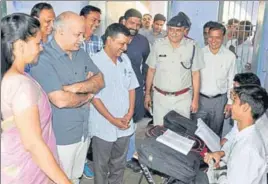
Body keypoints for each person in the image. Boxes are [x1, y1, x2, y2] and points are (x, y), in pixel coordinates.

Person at [30, 11, 104, 184]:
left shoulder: (80, 52)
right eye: (77, 34)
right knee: (58, 179)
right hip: (60, 137)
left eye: (83, 34)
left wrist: (76, 87)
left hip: (83, 132)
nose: (82, 39)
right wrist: (88, 94)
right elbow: (60, 100)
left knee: (75, 177)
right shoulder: (42, 57)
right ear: (60, 31)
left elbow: (100, 80)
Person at [1, 13, 71, 184]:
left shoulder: (10, 78)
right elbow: (34, 145)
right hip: (29, 174)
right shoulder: (21, 85)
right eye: (38, 43)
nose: (41, 48)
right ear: (19, 46)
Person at [89, 23, 139, 184]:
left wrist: (130, 112)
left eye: (126, 44)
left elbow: (131, 87)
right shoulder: (94, 61)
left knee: (119, 164)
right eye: (121, 43)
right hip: (103, 125)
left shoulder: (125, 60)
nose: (124, 48)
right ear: (109, 40)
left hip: (124, 123)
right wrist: (112, 119)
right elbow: (94, 97)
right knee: (101, 166)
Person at [145, 13, 205, 126]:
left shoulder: (192, 46)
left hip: (183, 98)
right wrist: (147, 94)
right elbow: (151, 70)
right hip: (160, 97)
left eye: (178, 30)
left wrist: (195, 99)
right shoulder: (158, 45)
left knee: (180, 132)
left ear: (185, 31)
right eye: (171, 29)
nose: (174, 33)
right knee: (160, 129)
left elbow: (196, 74)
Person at [204, 85, 268, 184]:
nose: (231, 106)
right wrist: (220, 155)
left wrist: (217, 172)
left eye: (234, 102)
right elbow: (234, 154)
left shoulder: (248, 149)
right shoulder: (244, 133)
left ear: (245, 108)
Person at [122, 8, 150, 172]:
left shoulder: (143, 41)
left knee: (132, 122)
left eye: (138, 24)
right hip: (116, 88)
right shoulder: (111, 36)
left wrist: (147, 87)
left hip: (136, 87)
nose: (134, 26)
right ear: (124, 21)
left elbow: (147, 65)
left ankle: (130, 155)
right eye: (132, 22)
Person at [199, 22, 237, 137]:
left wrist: (230, 103)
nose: (213, 40)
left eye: (217, 37)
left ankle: (212, 154)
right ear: (207, 37)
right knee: (197, 132)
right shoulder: (200, 53)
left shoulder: (230, 56)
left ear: (223, 38)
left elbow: (232, 81)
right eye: (210, 37)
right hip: (200, 100)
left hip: (219, 101)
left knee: (215, 134)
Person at [220, 73, 268, 164]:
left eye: (236, 90)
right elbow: (235, 131)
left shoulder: (260, 130)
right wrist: (226, 144)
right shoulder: (245, 114)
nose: (233, 91)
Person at [80, 5, 103, 179]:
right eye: (93, 20)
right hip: (77, 92)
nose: (96, 24)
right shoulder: (73, 40)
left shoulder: (98, 41)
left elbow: (100, 69)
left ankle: (84, 162)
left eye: (98, 21)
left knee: (90, 130)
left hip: (93, 92)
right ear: (82, 19)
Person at [25, 2, 55, 73]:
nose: (52, 25)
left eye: (54, 21)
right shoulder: (28, 44)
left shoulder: (56, 40)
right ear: (36, 20)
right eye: (48, 21)